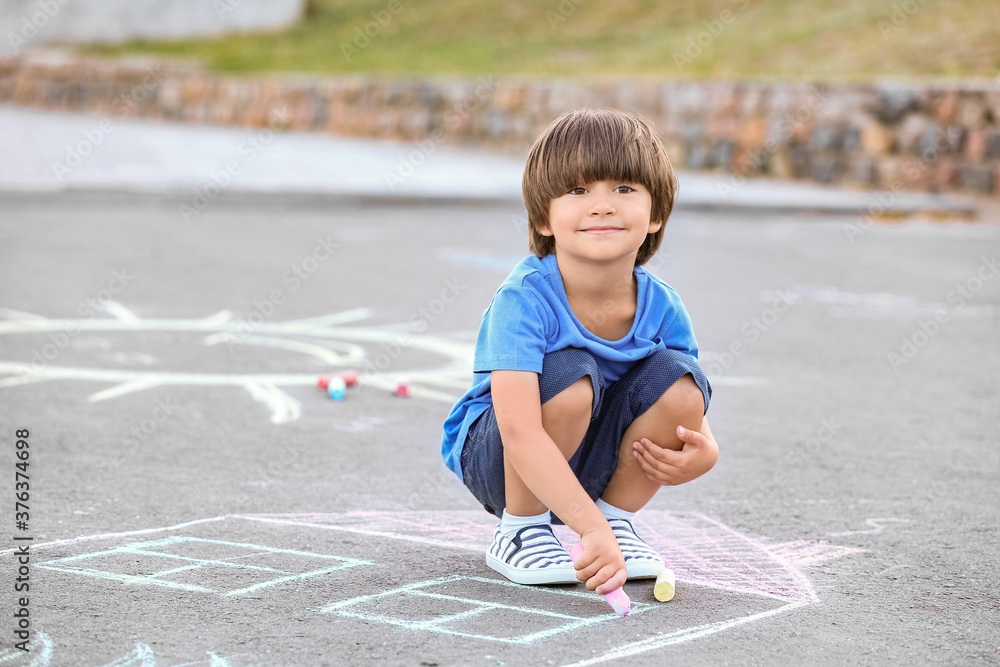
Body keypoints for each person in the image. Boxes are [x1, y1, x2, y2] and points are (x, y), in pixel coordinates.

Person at [440, 107, 718, 596]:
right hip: (503, 462)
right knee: (572, 374)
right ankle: (520, 530)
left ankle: (619, 520)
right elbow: (518, 428)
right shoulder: (523, 299)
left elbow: (690, 399)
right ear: (544, 219)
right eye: (577, 190)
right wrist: (589, 531)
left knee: (679, 378)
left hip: (591, 459)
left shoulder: (662, 304)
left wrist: (706, 450)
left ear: (655, 216)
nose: (602, 205)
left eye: (624, 189)